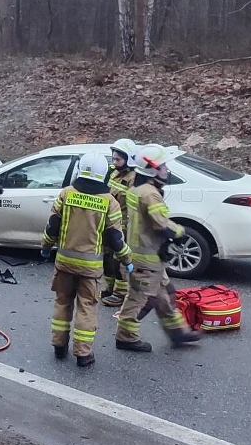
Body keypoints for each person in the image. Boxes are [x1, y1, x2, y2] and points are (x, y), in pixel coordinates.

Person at [42, 153, 133, 368]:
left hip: (64, 263)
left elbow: (52, 226)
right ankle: (83, 355)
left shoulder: (66, 194)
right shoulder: (109, 202)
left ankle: (59, 346)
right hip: (90, 268)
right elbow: (115, 239)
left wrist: (45, 247)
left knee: (62, 302)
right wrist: (127, 259)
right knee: (87, 307)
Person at [115, 144, 200, 353]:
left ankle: (178, 333)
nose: (166, 170)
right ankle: (125, 337)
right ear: (152, 169)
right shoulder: (150, 194)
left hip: (147, 256)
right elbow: (161, 224)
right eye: (162, 166)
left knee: (164, 296)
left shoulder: (137, 189)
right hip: (146, 259)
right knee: (141, 299)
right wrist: (180, 232)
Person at [102, 139, 140, 308]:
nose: (115, 162)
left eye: (118, 159)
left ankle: (120, 293)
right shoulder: (114, 174)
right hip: (110, 224)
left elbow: (135, 206)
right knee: (107, 259)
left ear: (129, 159)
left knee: (120, 261)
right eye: (114, 158)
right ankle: (109, 288)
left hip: (124, 227)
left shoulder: (134, 179)